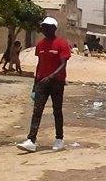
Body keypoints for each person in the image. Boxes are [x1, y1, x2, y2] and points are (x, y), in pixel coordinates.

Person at [18, 18, 71, 152]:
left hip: (57, 82)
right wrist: (34, 86)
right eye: (43, 27)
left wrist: (51, 76)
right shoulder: (40, 45)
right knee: (37, 110)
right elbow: (39, 64)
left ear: (54, 28)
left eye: (47, 27)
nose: (44, 29)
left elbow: (63, 64)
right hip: (42, 82)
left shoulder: (62, 44)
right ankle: (31, 140)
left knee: (57, 111)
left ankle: (59, 139)